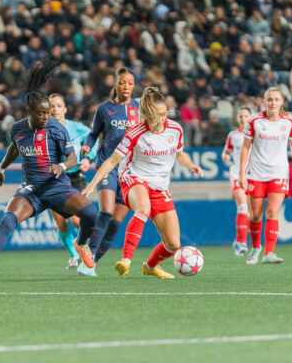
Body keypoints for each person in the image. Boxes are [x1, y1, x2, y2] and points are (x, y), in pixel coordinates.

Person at [0, 61, 106, 282]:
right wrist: (1, 168)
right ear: (29, 111)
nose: (45, 116)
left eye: (48, 112)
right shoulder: (18, 128)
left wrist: (62, 166)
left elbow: (71, 157)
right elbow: (14, 148)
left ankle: (80, 243)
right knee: (7, 221)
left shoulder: (57, 129)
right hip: (31, 191)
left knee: (91, 215)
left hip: (56, 186)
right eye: (41, 113)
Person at [82, 87, 204, 279]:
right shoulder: (136, 133)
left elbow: (179, 154)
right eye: (157, 115)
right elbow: (112, 161)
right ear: (146, 115)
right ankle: (126, 260)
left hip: (159, 187)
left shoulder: (176, 129)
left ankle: (150, 266)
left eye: (164, 114)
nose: (162, 119)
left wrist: (191, 165)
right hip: (133, 178)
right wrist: (92, 184)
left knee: (173, 245)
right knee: (143, 209)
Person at [79, 67, 140, 276]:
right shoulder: (104, 109)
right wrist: (87, 146)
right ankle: (89, 252)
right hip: (108, 165)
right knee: (106, 211)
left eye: (130, 83)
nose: (127, 87)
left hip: (129, 170)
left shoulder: (139, 108)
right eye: (123, 82)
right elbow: (93, 134)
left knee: (115, 224)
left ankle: (92, 263)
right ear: (116, 84)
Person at [239, 87, 292, 265]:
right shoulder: (255, 120)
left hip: (278, 172)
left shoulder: (289, 120)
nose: (273, 103)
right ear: (264, 102)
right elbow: (246, 146)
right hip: (257, 173)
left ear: (282, 101)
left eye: (276, 99)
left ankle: (269, 253)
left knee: (273, 212)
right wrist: (242, 173)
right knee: (255, 216)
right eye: (269, 100)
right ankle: (256, 248)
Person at [48, 93, 99, 270]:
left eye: (58, 105)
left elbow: (95, 138)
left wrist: (89, 159)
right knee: (61, 222)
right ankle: (73, 255)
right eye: (51, 106)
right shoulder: (42, 131)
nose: (55, 109)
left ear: (65, 109)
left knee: (78, 220)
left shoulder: (76, 128)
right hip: (54, 178)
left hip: (75, 176)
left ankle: (83, 245)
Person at [222, 107, 251, 257]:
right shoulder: (233, 135)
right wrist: (225, 157)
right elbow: (226, 152)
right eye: (241, 116)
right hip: (236, 174)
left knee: (250, 213)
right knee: (243, 206)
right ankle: (242, 243)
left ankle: (238, 240)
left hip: (252, 175)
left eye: (246, 116)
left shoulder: (256, 135)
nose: (243, 118)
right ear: (238, 118)